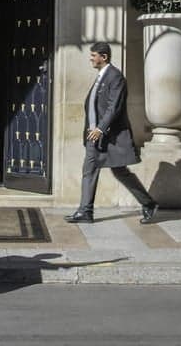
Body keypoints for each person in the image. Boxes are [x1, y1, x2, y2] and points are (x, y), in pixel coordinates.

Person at [66, 41, 158, 225]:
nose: (91, 59)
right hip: (95, 136)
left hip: (109, 136)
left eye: (93, 56)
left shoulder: (115, 77)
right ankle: (85, 211)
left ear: (104, 57)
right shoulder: (102, 76)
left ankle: (148, 203)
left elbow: (113, 107)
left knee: (119, 172)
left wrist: (100, 128)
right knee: (91, 169)